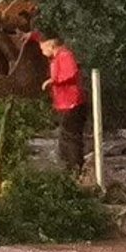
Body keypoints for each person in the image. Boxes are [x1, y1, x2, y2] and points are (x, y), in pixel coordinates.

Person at [39, 32, 88, 175]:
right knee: (65, 138)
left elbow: (71, 73)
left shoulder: (64, 55)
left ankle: (75, 170)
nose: (42, 52)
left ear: (51, 45)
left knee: (70, 137)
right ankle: (70, 169)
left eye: (42, 48)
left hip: (72, 103)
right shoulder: (57, 57)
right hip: (65, 104)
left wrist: (53, 81)